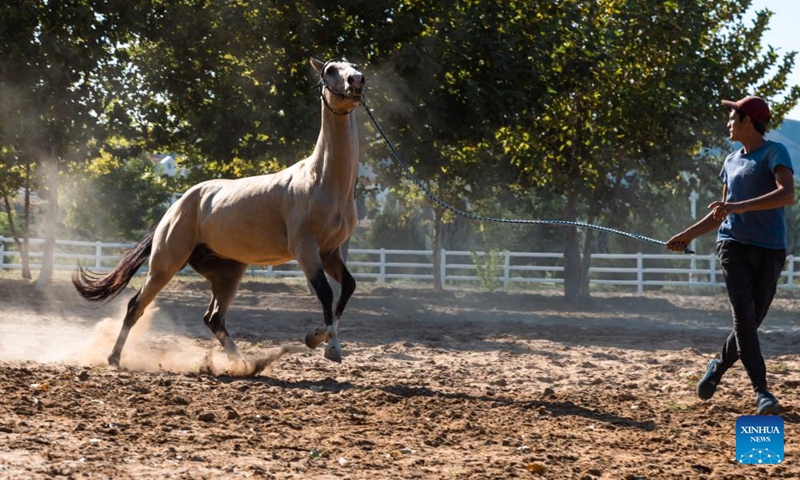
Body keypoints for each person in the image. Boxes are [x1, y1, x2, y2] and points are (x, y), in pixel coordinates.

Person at [666, 95, 795, 415]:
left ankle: (719, 367)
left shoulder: (775, 152)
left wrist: (738, 206)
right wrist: (687, 235)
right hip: (732, 245)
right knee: (743, 318)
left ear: (748, 121)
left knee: (752, 321)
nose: (728, 123)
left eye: (732, 117)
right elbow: (722, 213)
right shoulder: (729, 161)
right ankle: (762, 392)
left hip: (770, 249)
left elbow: (787, 194)